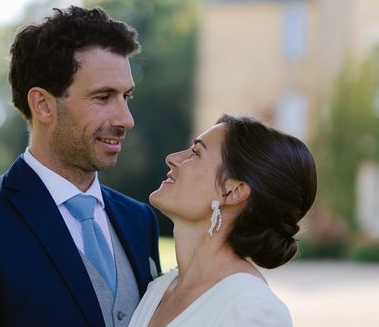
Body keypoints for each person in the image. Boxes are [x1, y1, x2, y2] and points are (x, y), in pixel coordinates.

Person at [0, 6, 161, 327]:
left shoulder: (139, 220)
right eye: (103, 97)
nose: (125, 119)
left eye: (125, 96)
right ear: (43, 104)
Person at [129, 114, 317, 327]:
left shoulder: (250, 309)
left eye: (195, 153)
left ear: (233, 191)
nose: (172, 158)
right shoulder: (158, 289)